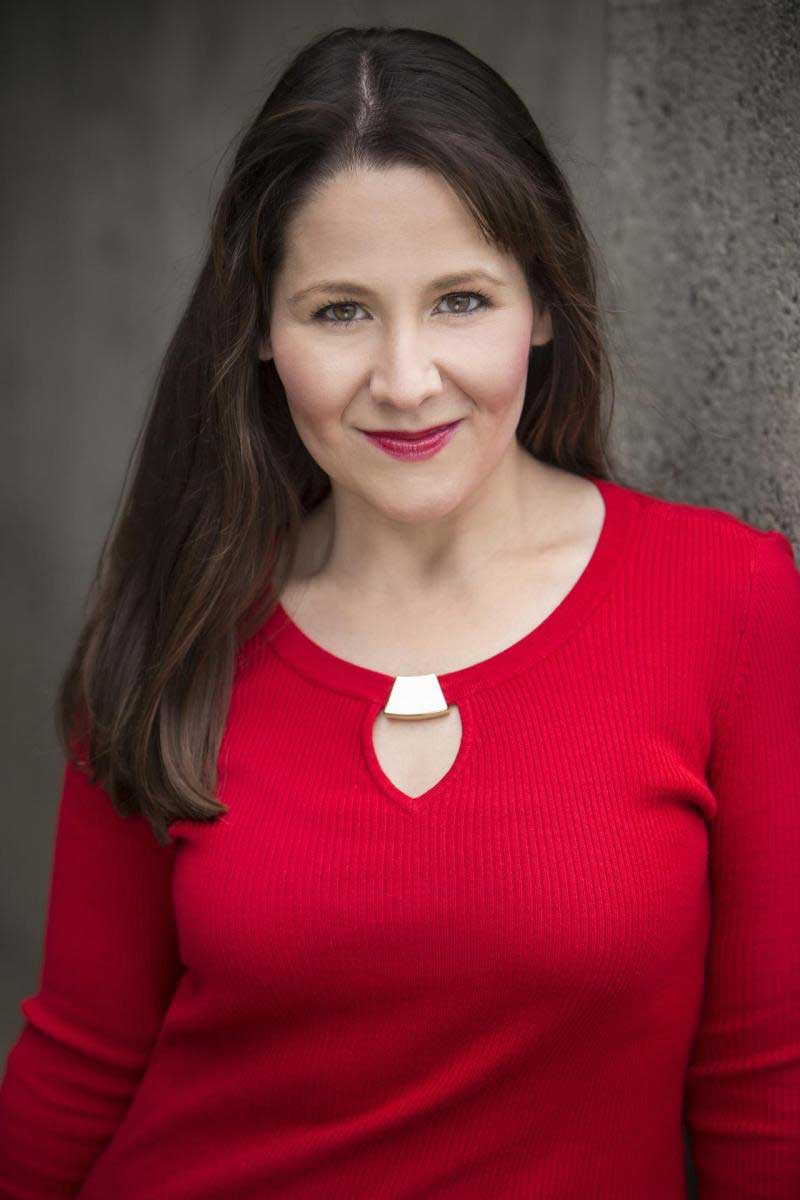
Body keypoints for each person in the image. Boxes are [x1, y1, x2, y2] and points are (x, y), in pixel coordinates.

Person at [0, 23, 798, 1200]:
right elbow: (80, 1067)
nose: (407, 380)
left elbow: (764, 1093)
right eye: (339, 312)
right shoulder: (180, 620)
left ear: (542, 304)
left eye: (460, 299)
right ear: (259, 331)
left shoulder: (723, 602)